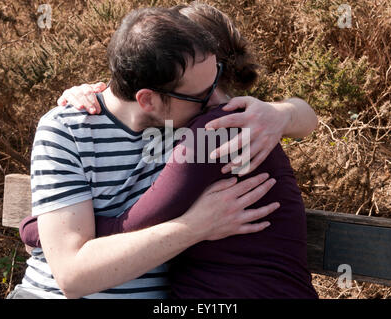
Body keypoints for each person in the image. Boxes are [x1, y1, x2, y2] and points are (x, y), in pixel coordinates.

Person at [19, 3, 318, 298]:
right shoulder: (70, 127)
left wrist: (283, 113)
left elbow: (307, 117)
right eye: (201, 94)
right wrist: (194, 227)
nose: (213, 102)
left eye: (216, 79)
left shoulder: (202, 130)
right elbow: (73, 275)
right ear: (149, 99)